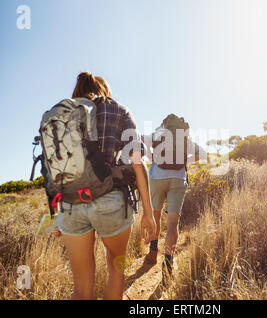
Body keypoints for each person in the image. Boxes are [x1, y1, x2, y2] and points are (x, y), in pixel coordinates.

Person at [56, 72, 156, 300]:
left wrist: (56, 213)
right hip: (110, 199)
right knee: (116, 269)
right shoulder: (119, 110)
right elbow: (138, 163)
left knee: (81, 289)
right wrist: (149, 213)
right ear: (104, 89)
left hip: (72, 202)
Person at [142, 117, 207, 280]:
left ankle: (153, 252)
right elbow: (202, 154)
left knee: (155, 216)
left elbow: (140, 139)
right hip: (178, 179)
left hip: (157, 178)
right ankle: (168, 262)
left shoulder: (157, 134)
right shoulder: (185, 138)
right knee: (172, 223)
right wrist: (184, 160)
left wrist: (152, 157)